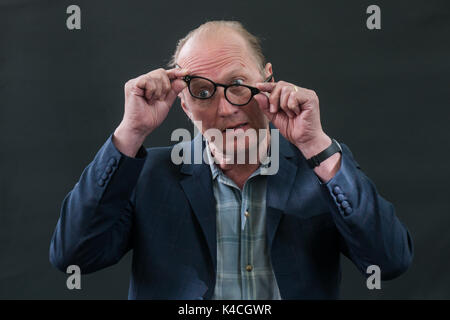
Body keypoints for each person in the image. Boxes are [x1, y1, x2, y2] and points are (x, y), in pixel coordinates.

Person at [49, 20, 413, 299]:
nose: (225, 109)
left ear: (268, 81)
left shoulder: (321, 168)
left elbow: (389, 261)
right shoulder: (148, 175)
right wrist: (130, 132)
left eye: (238, 84)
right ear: (184, 102)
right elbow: (73, 256)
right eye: (203, 92)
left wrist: (316, 144)